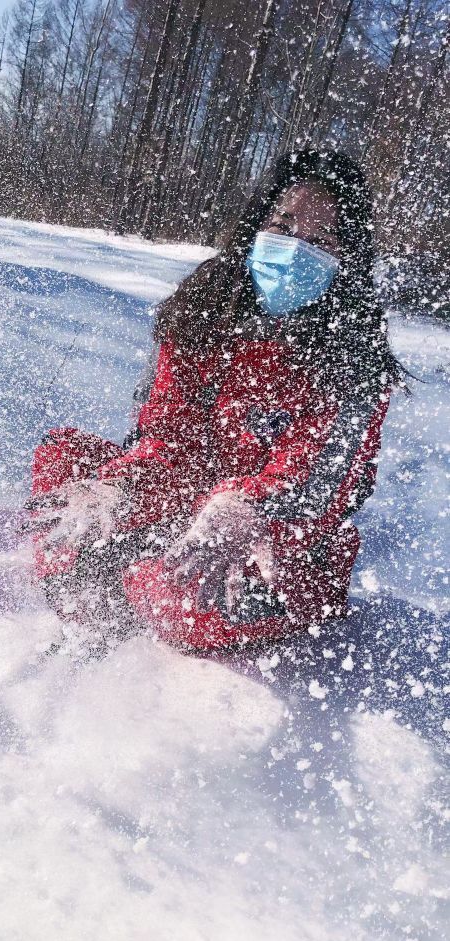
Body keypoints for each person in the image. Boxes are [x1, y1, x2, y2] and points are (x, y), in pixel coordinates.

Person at [25, 149, 404, 657]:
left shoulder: (353, 356)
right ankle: (91, 596)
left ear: (347, 261)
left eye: (321, 241)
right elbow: (164, 438)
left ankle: (131, 585)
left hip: (281, 545)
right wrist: (117, 487)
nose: (295, 250)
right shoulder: (204, 308)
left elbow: (322, 486)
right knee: (65, 470)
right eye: (284, 226)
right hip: (185, 504)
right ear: (257, 225)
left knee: (179, 600)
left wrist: (251, 507)